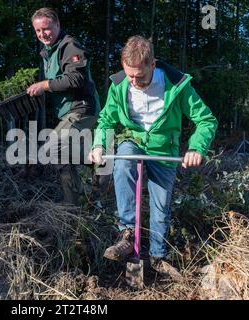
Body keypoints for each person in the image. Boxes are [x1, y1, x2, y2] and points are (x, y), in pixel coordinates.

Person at [88, 36, 218, 275]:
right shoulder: (118, 85)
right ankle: (126, 234)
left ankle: (158, 257)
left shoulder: (178, 85)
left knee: (161, 205)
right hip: (133, 140)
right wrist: (99, 145)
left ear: (153, 65)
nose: (134, 82)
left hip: (163, 149)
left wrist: (196, 148)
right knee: (124, 161)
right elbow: (106, 120)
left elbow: (206, 120)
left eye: (140, 76)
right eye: (130, 76)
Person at [27, 7, 101, 205]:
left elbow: (76, 78)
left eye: (46, 28)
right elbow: (59, 84)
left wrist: (44, 85)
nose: (43, 34)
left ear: (57, 24)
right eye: (38, 31)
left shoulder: (70, 46)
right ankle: (73, 205)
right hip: (68, 112)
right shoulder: (48, 52)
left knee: (53, 148)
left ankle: (97, 161)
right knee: (61, 157)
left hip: (82, 108)